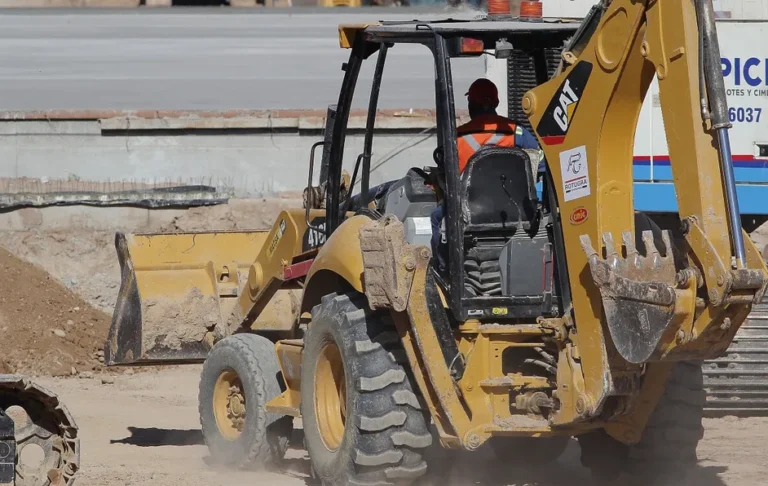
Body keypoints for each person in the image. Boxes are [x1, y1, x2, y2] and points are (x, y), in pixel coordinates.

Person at [430, 77, 542, 272]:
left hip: (470, 213)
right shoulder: (517, 132)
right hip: (517, 213)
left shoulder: (456, 137)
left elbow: (448, 176)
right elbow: (539, 168)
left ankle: (444, 270)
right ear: (496, 103)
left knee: (436, 217)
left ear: (471, 104)